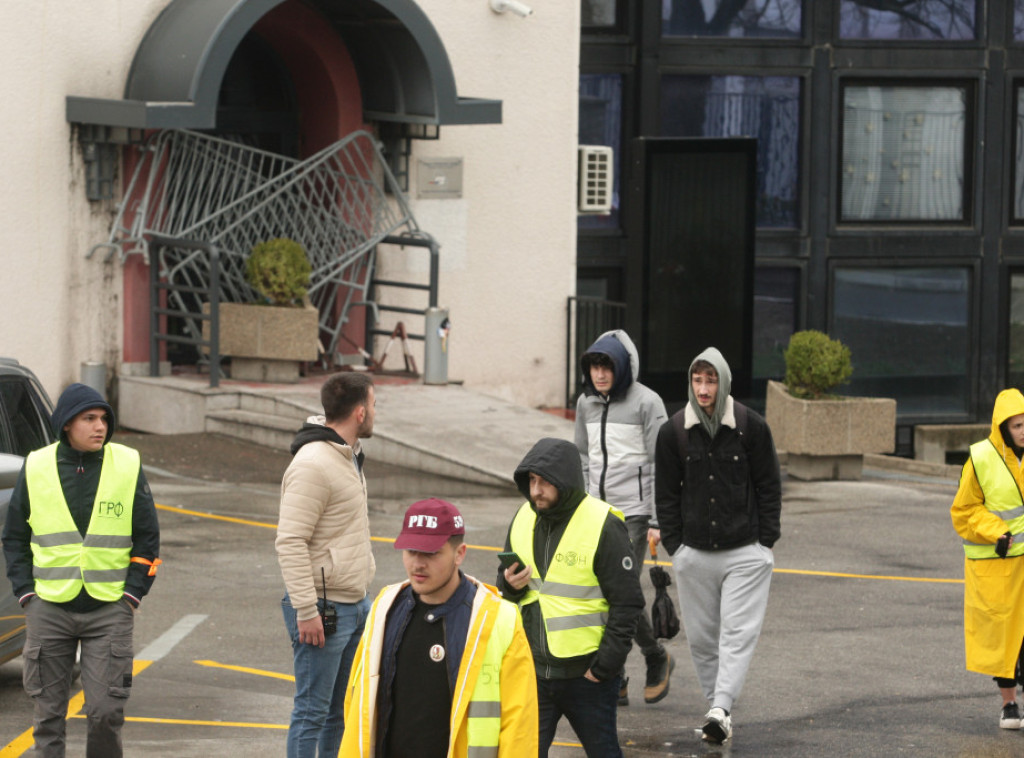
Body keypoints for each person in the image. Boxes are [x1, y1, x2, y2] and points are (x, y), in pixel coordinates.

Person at [1, 383, 161, 758]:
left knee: (106, 712)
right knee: (47, 717)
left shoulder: (127, 463)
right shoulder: (37, 465)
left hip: (109, 609)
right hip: (49, 608)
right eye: (89, 419)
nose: (100, 427)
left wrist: (132, 593)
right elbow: (14, 538)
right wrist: (26, 592)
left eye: (104, 419)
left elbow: (147, 538)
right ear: (67, 424)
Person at [339, 498, 538, 757]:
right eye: (411, 551)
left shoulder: (499, 619)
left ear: (460, 553)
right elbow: (356, 703)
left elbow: (519, 725)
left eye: (431, 553)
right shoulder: (384, 607)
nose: (417, 564)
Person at [654, 347, 780, 745]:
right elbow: (666, 495)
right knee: (704, 639)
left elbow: (769, 485)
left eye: (711, 380)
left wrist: (765, 543)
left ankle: (721, 707)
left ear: (723, 382)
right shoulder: (673, 431)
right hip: (694, 553)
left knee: (737, 634)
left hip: (745, 551)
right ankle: (717, 712)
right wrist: (677, 546)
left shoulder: (751, 427)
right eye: (697, 380)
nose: (704, 389)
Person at [497, 437, 642, 758]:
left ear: (566, 480)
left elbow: (627, 603)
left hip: (587, 676)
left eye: (545, 481)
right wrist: (510, 584)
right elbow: (504, 586)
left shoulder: (602, 524)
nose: (536, 490)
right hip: (534, 672)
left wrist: (604, 668)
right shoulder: (523, 516)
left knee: (603, 752)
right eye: (532, 480)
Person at [275, 372, 376, 757]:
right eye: (374, 406)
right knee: (312, 711)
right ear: (360, 412)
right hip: (322, 607)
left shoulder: (345, 455)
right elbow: (290, 540)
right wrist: (306, 610)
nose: (375, 414)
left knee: (339, 712)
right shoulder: (314, 464)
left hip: (353, 602)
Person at [574, 329, 673, 706]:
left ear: (622, 367)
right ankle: (634, 666)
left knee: (622, 594)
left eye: (607, 366)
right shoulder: (586, 405)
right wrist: (583, 505)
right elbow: (582, 458)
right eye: (595, 366)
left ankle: (641, 662)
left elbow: (661, 464)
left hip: (634, 513)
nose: (600, 374)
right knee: (607, 593)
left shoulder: (647, 403)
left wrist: (657, 519)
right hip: (597, 512)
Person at [951, 388, 1024, 730]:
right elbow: (964, 510)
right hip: (1001, 564)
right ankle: (1009, 705)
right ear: (1002, 428)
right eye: (1017, 425)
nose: (1023, 430)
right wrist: (996, 531)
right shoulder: (981, 458)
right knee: (1003, 635)